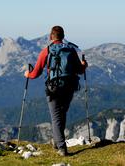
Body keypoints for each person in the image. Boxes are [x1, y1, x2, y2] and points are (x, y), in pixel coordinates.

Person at [24, 26, 88, 156]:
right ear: (63, 36)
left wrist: (27, 74)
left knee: (56, 117)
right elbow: (80, 70)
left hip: (53, 88)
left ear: (50, 37)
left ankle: (61, 147)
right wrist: (84, 64)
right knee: (62, 114)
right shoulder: (70, 50)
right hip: (69, 87)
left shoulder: (46, 51)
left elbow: (36, 72)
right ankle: (57, 141)